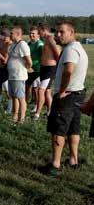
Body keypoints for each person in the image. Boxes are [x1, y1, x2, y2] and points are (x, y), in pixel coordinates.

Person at [42, 20, 88, 176]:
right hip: (78, 93)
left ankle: (55, 165)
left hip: (67, 95)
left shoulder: (70, 50)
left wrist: (61, 91)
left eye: (62, 32)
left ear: (72, 32)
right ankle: (73, 160)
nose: (58, 34)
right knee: (73, 128)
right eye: (57, 32)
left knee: (58, 129)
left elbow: (69, 71)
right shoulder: (79, 48)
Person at [35, 23, 61, 120]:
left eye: (39, 31)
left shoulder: (50, 39)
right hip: (44, 68)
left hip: (50, 69)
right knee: (47, 92)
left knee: (41, 90)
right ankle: (50, 112)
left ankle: (37, 114)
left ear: (44, 30)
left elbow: (57, 53)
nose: (38, 33)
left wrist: (58, 68)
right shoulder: (46, 39)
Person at [7, 27, 32, 124]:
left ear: (18, 34)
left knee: (21, 98)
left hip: (19, 76)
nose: (10, 35)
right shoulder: (13, 44)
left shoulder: (23, 45)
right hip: (12, 75)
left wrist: (27, 67)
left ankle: (21, 119)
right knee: (14, 96)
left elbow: (29, 61)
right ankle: (14, 116)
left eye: (11, 33)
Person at [0, 28, 12, 113]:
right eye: (1, 37)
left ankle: (9, 108)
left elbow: (5, 60)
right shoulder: (1, 43)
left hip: (6, 70)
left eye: (3, 37)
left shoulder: (9, 45)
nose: (1, 38)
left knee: (7, 90)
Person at [25, 27, 44, 117]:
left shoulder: (39, 44)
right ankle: (25, 103)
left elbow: (43, 57)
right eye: (30, 33)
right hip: (29, 69)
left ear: (38, 35)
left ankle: (37, 106)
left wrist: (37, 67)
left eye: (33, 33)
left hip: (38, 70)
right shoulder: (29, 43)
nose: (31, 35)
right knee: (27, 87)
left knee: (36, 89)